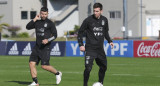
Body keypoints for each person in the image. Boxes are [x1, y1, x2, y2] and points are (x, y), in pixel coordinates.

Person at [77, 3, 114, 86]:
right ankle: (85, 85)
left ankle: (100, 83)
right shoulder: (88, 20)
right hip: (90, 49)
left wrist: (110, 41)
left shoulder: (105, 20)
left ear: (101, 11)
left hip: (100, 49)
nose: (95, 13)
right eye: (94, 11)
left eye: (97, 11)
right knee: (88, 68)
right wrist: (81, 45)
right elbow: (80, 33)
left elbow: (105, 32)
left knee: (104, 67)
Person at [26, 7, 62, 86]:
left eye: (45, 14)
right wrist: (35, 19)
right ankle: (35, 83)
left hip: (45, 48)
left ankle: (57, 73)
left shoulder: (50, 23)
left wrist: (48, 40)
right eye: (42, 14)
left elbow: (55, 35)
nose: (43, 15)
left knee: (44, 66)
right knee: (31, 63)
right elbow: (27, 27)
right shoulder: (37, 22)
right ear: (40, 13)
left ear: (47, 14)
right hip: (37, 47)